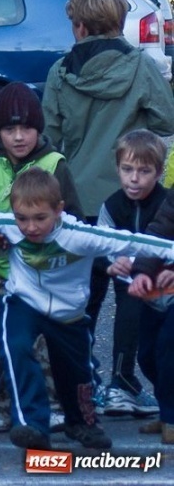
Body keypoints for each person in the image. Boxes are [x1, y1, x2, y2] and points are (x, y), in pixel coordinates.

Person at [0, 167, 174, 451]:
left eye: (40, 218)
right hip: (24, 302)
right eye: (22, 218)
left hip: (69, 312)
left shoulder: (79, 235)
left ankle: (82, 423)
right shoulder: (9, 225)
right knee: (15, 346)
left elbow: (136, 241)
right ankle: (32, 424)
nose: (30, 227)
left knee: (77, 373)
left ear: (59, 210)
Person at [41, 0, 174, 396]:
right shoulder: (140, 66)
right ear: (119, 23)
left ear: (79, 27)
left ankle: (80, 378)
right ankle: (124, 377)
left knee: (81, 294)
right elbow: (166, 120)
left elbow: (51, 136)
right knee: (134, 290)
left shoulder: (60, 72)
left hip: (77, 197)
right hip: (132, 196)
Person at [0, 82, 81, 433]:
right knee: (3, 343)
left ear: (38, 129)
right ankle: (6, 406)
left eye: (26, 128)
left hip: (46, 273)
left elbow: (72, 217)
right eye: (9, 129)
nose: (18, 136)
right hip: (4, 274)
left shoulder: (53, 164)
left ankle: (52, 404)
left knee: (42, 344)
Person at [95, 130, 165, 417]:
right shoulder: (111, 205)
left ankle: (161, 394)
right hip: (130, 283)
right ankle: (121, 381)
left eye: (144, 171)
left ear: (159, 172)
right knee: (128, 319)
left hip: (165, 285)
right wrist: (113, 262)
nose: (134, 178)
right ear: (117, 169)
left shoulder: (166, 202)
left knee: (161, 347)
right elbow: (100, 243)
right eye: (127, 169)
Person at [128, 175, 174, 445]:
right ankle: (166, 405)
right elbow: (157, 232)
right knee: (147, 354)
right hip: (160, 291)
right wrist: (141, 272)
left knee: (169, 349)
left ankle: (171, 416)